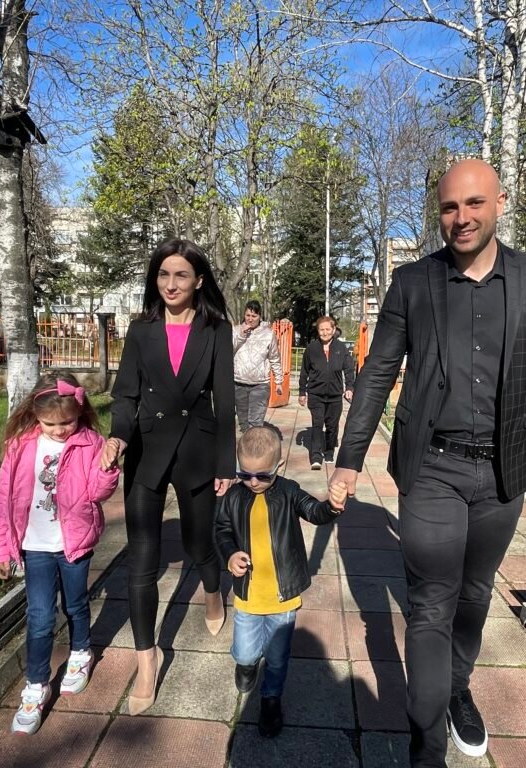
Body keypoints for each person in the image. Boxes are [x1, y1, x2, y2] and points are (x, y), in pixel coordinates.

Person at [330, 159, 526, 766]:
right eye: (450, 207)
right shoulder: (412, 283)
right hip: (431, 467)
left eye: (474, 204)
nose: (461, 218)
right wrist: (349, 460)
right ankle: (426, 749)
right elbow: (378, 373)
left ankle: (457, 687)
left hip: (504, 472)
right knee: (432, 603)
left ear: (500, 203)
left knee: (475, 593)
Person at [100, 238, 236, 716]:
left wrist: (226, 464)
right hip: (147, 450)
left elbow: (224, 399)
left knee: (200, 545)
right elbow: (126, 394)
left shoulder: (216, 329)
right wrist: (118, 438)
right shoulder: (141, 330)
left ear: (199, 280)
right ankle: (147, 659)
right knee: (141, 558)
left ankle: (214, 592)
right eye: (163, 274)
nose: (171, 284)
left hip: (197, 451)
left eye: (181, 275)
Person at [0, 373, 120, 735]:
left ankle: (80, 652)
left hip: (73, 543)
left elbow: (97, 493)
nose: (61, 430)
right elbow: (4, 499)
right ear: (35, 415)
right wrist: (0, 548)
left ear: (79, 414)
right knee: (40, 616)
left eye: (68, 422)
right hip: (35, 546)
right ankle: (36, 684)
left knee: (75, 604)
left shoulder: (90, 442)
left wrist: (109, 468)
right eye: (51, 424)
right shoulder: (20, 446)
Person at [214, 426, 348, 737]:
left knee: (276, 658)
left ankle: (271, 698)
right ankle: (246, 665)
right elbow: (221, 530)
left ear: (279, 466)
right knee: (245, 653)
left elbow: (314, 511)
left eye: (262, 475)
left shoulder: (288, 491)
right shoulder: (234, 496)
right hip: (248, 595)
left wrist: (332, 506)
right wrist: (230, 554)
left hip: (282, 597)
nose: (253, 482)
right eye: (245, 474)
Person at [298, 316, 355, 470]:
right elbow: (304, 371)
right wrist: (302, 391)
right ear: (318, 331)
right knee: (317, 425)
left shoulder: (341, 348)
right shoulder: (312, 348)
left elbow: (349, 369)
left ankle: (329, 452)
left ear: (334, 329)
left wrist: (349, 388)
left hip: (335, 395)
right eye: (321, 330)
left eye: (327, 329)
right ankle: (316, 457)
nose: (324, 332)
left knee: (332, 426)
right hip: (316, 394)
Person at [233, 299, 285, 431]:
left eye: (254, 316)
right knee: (243, 423)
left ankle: (255, 444)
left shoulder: (268, 334)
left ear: (260, 316)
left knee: (255, 423)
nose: (250, 319)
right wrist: (241, 335)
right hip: (239, 382)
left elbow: (274, 358)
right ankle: (247, 443)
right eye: (248, 315)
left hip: (260, 384)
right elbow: (227, 351)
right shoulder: (235, 330)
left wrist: (279, 381)